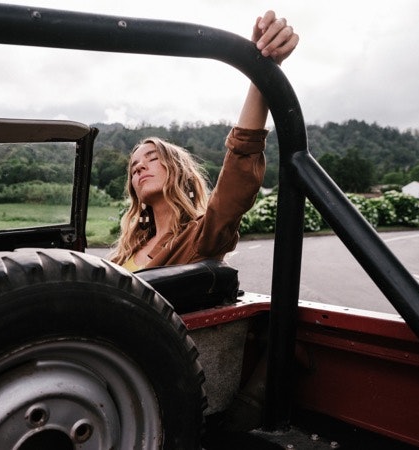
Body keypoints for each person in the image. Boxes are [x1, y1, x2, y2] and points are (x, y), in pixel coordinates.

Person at [109, 11, 299, 271]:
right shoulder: (123, 253)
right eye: (133, 168)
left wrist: (261, 66)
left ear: (180, 173)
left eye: (152, 158)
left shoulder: (200, 239)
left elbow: (235, 184)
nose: (139, 167)